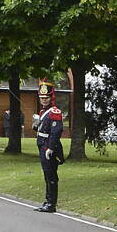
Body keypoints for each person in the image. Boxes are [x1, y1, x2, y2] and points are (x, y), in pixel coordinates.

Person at [34, 79, 64, 212]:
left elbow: (56, 132)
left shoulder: (55, 112)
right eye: (42, 98)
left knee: (51, 175)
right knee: (46, 175)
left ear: (51, 97)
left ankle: (51, 204)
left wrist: (51, 148)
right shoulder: (43, 112)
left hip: (48, 146)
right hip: (42, 144)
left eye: (46, 97)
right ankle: (47, 201)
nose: (44, 100)